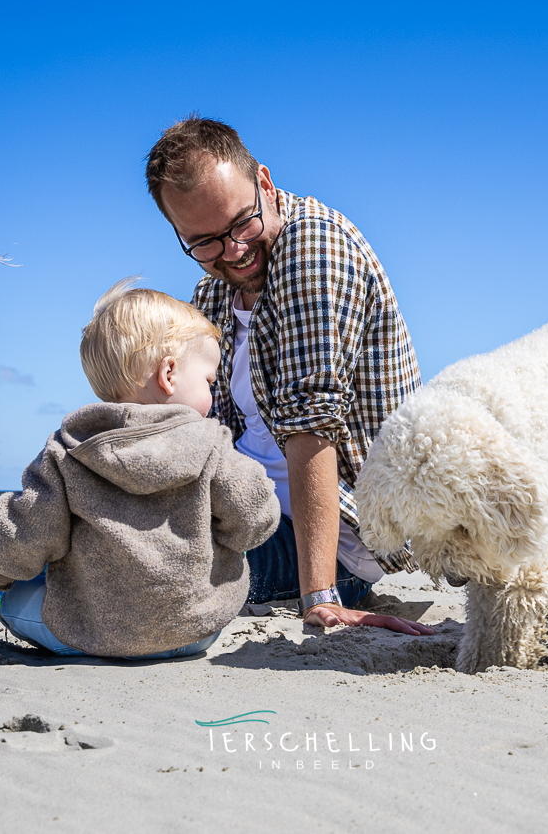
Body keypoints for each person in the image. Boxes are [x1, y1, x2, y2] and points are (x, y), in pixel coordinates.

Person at [145, 116, 434, 637]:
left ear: (265, 183)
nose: (232, 251)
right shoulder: (213, 292)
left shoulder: (312, 253)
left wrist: (318, 597)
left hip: (338, 540)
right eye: (204, 241)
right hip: (249, 508)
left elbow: (311, 427)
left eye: (241, 223)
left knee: (154, 568)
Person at [0, 281, 280, 659]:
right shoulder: (211, 444)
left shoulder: (67, 450)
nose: (213, 396)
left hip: (90, 632)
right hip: (192, 632)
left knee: (15, 604)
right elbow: (256, 519)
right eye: (209, 381)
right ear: (169, 373)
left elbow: (29, 535)